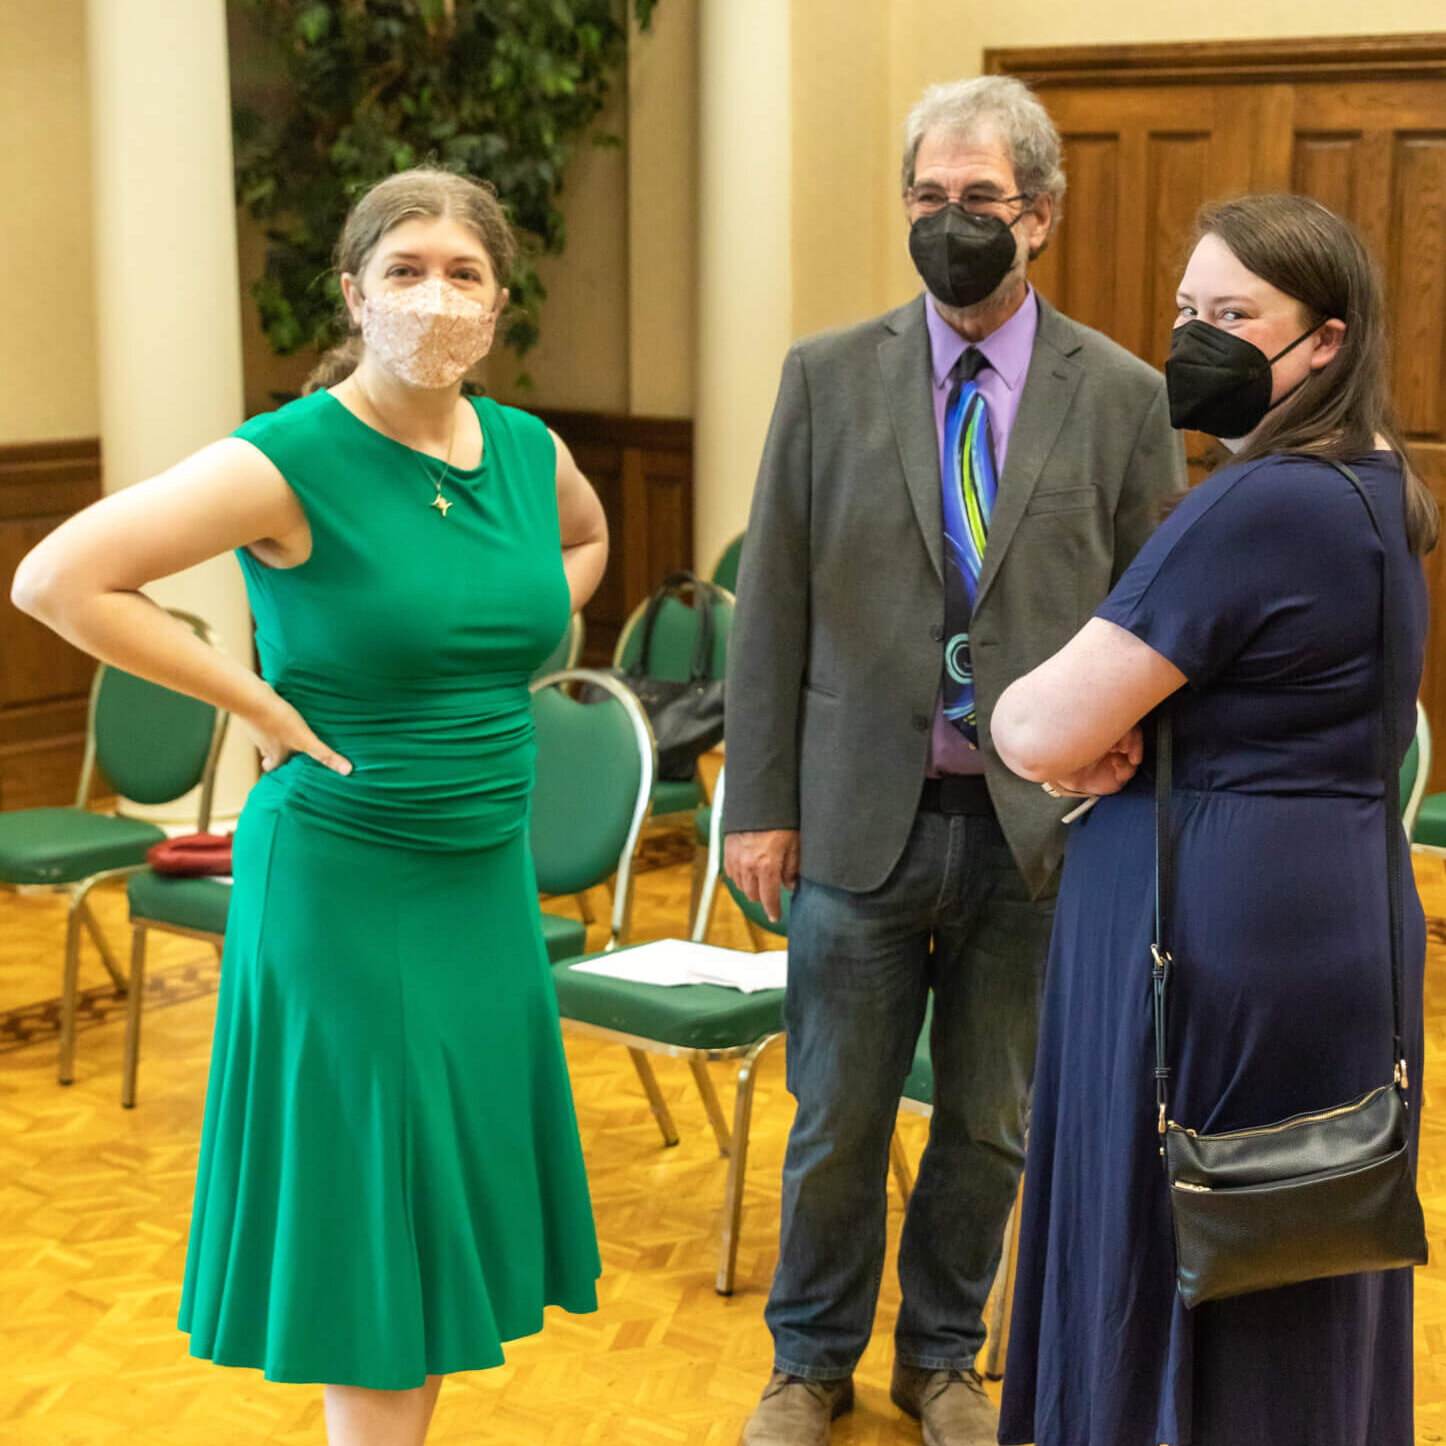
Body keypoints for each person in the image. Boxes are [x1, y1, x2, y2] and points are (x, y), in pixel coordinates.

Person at [11, 166, 608, 1446]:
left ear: (499, 303)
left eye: (463, 273)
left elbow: (584, 542)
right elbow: (57, 580)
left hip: (482, 870)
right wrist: (255, 702)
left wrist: (509, 635)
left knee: (440, 1201)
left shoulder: (527, 451)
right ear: (353, 293)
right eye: (406, 271)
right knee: (374, 1217)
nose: (435, 297)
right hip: (345, 869)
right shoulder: (290, 458)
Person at [722, 76, 1185, 1446]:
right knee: (835, 1121)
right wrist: (757, 803)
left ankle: (941, 1359)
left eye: (979, 199)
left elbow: (1156, 620)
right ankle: (807, 1361)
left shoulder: (1124, 396)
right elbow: (773, 605)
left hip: (1037, 833)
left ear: (1038, 214)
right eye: (928, 197)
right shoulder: (825, 375)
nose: (950, 220)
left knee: (990, 1123)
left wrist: (1137, 813)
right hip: (854, 818)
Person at [992, 192, 1438, 1446]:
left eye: (1235, 315)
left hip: (1204, 947)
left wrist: (1074, 737)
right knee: (1300, 1236)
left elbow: (1033, 729)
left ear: (1328, 340)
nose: (1196, 338)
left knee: (1178, 1251)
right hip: (1337, 917)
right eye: (1188, 308)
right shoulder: (1378, 484)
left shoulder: (1259, 502)